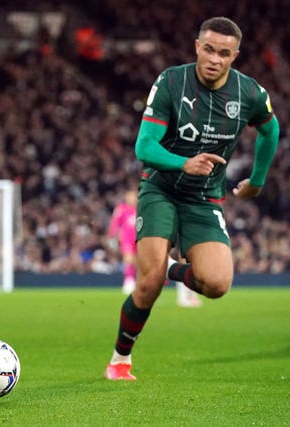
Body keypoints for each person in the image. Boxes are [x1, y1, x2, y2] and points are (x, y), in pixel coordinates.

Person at [104, 16, 279, 381]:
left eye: (225, 53)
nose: (215, 58)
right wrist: (185, 162)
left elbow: (270, 128)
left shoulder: (249, 93)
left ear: (235, 56)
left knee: (216, 284)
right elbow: (145, 146)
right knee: (149, 282)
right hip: (161, 188)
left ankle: (172, 268)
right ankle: (120, 359)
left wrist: (257, 181)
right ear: (198, 46)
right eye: (210, 49)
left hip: (204, 198)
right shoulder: (171, 81)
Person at [107, 189, 202, 307]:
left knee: (146, 262)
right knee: (129, 258)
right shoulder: (122, 209)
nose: (132, 198)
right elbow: (115, 223)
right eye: (130, 196)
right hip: (127, 238)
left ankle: (158, 280)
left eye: (133, 196)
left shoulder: (142, 208)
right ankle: (129, 280)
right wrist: (113, 236)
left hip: (141, 238)